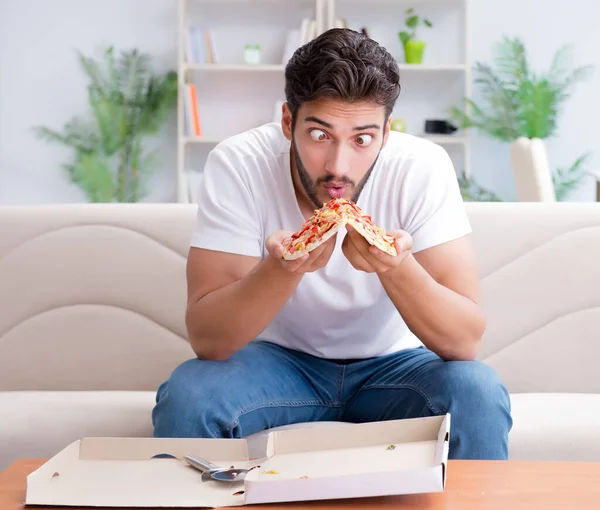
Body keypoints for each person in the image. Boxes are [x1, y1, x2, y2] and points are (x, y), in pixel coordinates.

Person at [152, 28, 512, 460]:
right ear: (288, 122)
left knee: (478, 390)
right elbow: (208, 340)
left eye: (362, 139)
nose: (338, 167)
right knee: (190, 393)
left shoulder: (423, 166)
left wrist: (396, 268)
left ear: (387, 132)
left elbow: (465, 342)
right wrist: (281, 270)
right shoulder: (239, 163)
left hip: (396, 367)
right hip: (280, 364)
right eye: (320, 135)